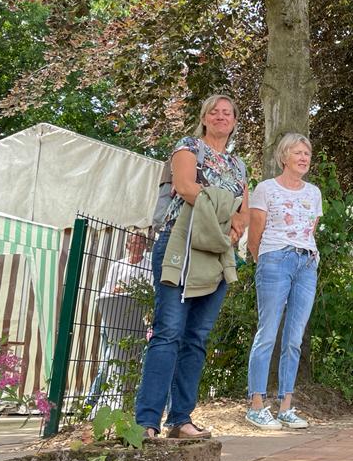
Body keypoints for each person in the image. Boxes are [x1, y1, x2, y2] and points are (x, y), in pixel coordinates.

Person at [134, 94, 249, 439]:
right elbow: (185, 187)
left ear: (234, 121)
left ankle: (181, 419)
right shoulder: (188, 147)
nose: (220, 116)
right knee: (168, 332)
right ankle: (147, 421)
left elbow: (243, 212)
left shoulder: (239, 166)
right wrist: (225, 211)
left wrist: (233, 227)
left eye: (227, 112)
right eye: (214, 111)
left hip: (216, 253)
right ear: (204, 117)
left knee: (197, 338)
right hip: (180, 245)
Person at [245, 133, 321, 430]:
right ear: (283, 157)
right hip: (275, 259)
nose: (304, 158)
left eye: (307, 153)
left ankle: (286, 407)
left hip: (307, 263)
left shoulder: (313, 193)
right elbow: (254, 235)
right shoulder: (266, 189)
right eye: (298, 152)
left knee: (294, 337)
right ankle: (256, 406)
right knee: (268, 332)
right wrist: (264, 260)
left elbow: (309, 230)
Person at [86, 229, 151, 411]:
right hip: (113, 321)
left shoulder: (150, 267)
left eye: (141, 242)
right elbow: (106, 292)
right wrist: (124, 291)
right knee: (107, 363)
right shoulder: (117, 266)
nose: (137, 246)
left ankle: (128, 403)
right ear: (127, 245)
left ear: (145, 246)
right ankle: (90, 404)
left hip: (136, 323)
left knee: (135, 364)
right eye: (134, 242)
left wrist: (124, 290)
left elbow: (149, 293)